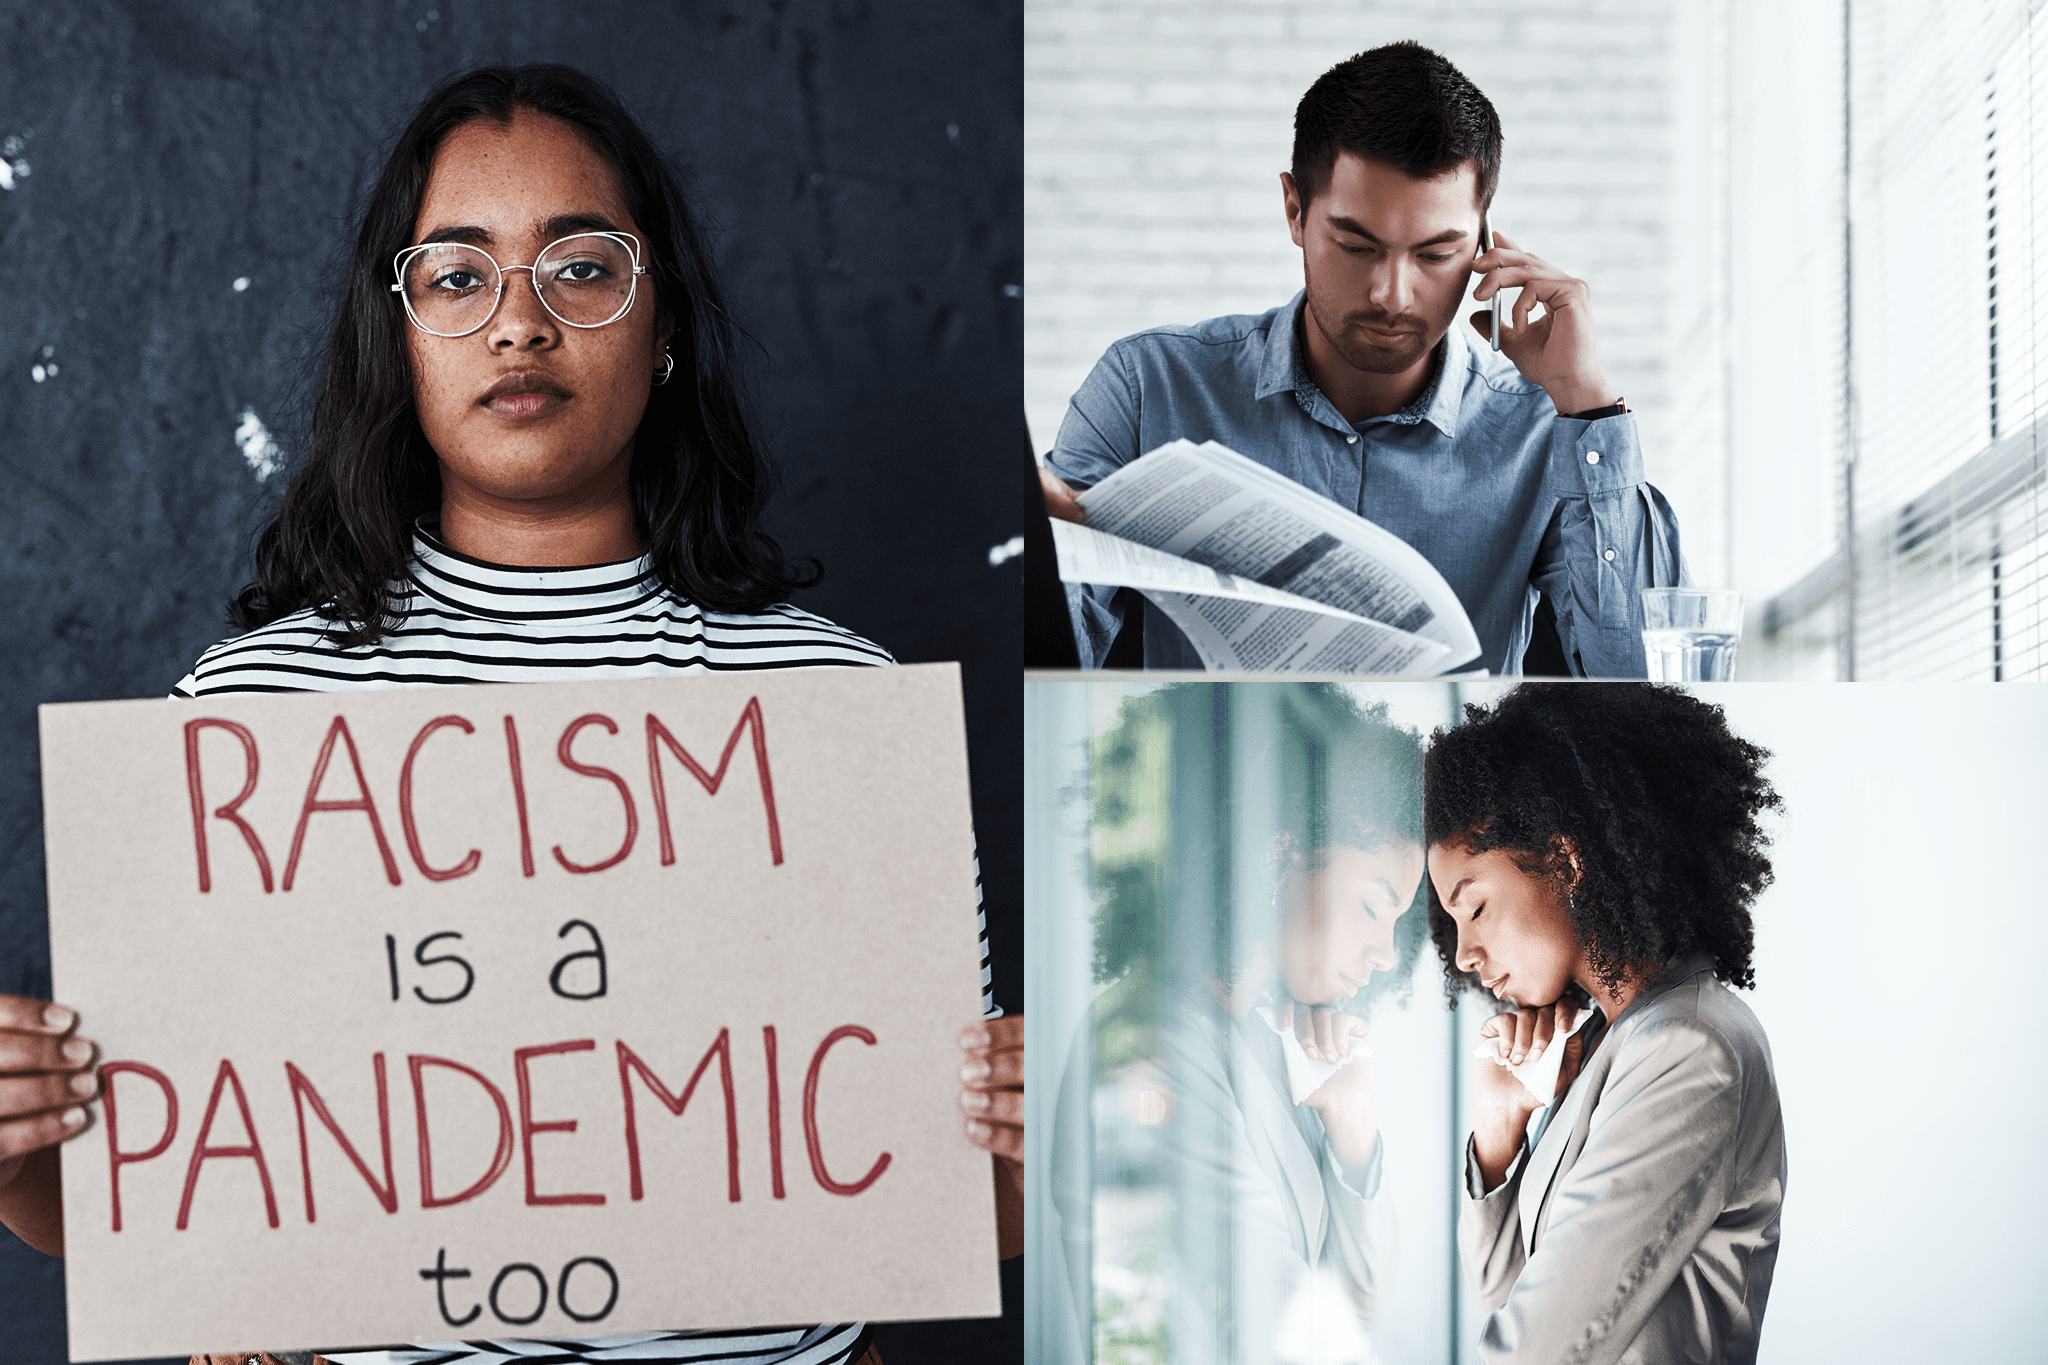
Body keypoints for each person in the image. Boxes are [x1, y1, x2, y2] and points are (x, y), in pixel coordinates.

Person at [0, 64, 1020, 1365]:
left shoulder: (840, 711)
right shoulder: (253, 720)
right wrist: (17, 1156)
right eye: (458, 273)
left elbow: (956, 1204)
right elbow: (160, 1201)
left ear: (662, 324)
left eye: (583, 268)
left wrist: (1039, 1134)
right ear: (401, 331)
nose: (521, 324)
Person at [1040, 40, 1685, 676]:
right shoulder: (1148, 389)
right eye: (1356, 246)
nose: (1392, 296)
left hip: (1452, 781)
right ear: (1295, 211)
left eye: (1435, 255)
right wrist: (1034, 551)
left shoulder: (1538, 430)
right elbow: (1036, 656)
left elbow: (1649, 686)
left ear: (1485, 242)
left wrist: (1588, 405)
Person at [1052, 683, 1427, 1365]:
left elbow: (1361, 1297)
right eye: (1374, 908)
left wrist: (1353, 1134)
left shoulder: (1263, 1040)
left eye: (1401, 923)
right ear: (1281, 856)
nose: (1385, 955)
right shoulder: (1147, 1042)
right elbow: (1281, 1329)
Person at [1423, 683, 1785, 1364]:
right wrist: (1501, 1132)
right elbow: (1507, 1295)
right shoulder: (1612, 1042)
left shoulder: (1689, 1049)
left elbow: (1537, 1348)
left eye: (1473, 908)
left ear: (1564, 860)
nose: (1465, 954)